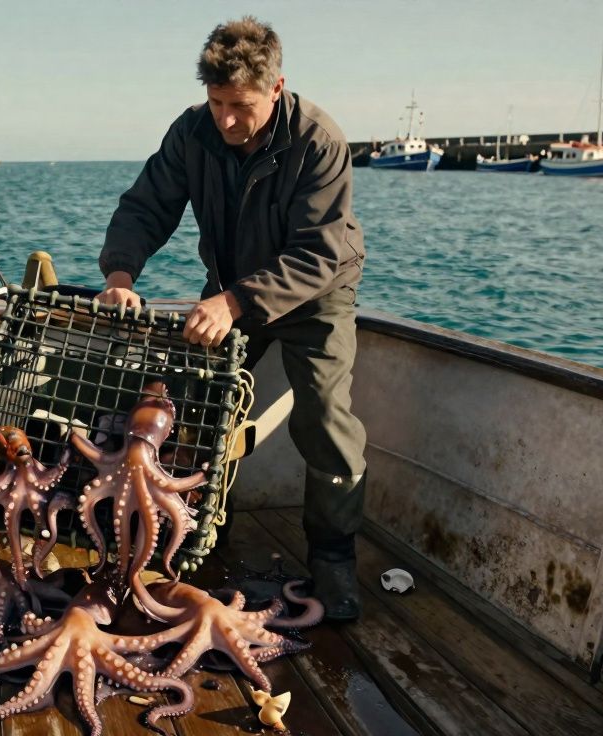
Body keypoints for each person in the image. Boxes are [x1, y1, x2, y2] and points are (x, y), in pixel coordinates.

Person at [96, 16, 368, 621]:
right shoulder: (192, 133)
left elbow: (319, 253)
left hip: (315, 292)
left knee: (324, 416)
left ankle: (333, 560)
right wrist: (120, 274)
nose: (226, 119)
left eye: (240, 105)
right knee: (191, 407)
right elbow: (146, 206)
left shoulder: (319, 140)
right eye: (216, 102)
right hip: (230, 290)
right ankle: (199, 532)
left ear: (276, 88)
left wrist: (234, 302)